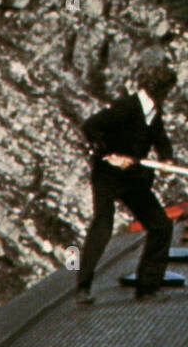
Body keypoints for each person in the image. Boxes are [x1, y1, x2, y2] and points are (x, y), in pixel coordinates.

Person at [75, 65, 179, 304]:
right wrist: (108, 154)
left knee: (161, 225)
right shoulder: (126, 107)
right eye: (168, 90)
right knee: (103, 225)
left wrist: (167, 159)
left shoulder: (154, 112)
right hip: (108, 176)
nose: (169, 95)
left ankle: (147, 287)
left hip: (133, 178)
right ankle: (83, 288)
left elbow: (160, 138)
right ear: (159, 89)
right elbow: (90, 127)